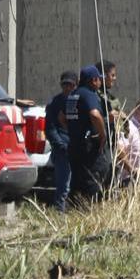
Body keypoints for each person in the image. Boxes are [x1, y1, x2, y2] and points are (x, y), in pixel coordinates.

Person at [65, 64, 112, 204]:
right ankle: (91, 214)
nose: (100, 82)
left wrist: (74, 130)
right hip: (89, 149)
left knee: (77, 183)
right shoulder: (89, 94)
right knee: (93, 182)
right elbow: (95, 115)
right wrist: (102, 135)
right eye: (99, 79)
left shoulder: (73, 95)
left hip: (74, 147)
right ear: (93, 80)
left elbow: (62, 118)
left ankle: (76, 213)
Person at [44, 70, 77, 211]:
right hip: (62, 150)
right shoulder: (55, 103)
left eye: (71, 85)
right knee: (64, 185)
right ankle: (59, 214)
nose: (67, 88)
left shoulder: (78, 100)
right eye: (65, 85)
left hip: (77, 148)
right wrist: (61, 145)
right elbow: (50, 129)